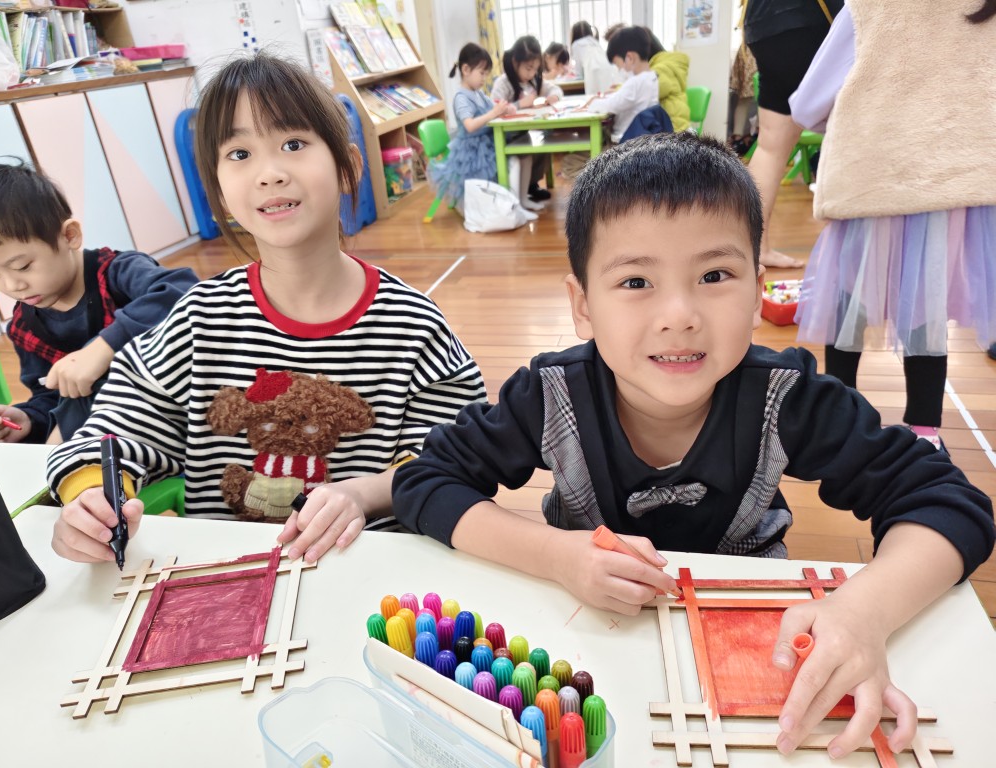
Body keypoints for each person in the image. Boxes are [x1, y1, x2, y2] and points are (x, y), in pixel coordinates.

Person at [393, 133, 994, 759]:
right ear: (583, 305)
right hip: (587, 644)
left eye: (714, 275)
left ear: (757, 290)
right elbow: (426, 482)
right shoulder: (549, 396)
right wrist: (557, 556)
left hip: (758, 648)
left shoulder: (788, 397)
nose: (679, 314)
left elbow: (949, 504)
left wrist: (862, 612)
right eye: (636, 281)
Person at [46, 52, 487, 566]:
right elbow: (119, 424)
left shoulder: (413, 326)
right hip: (226, 579)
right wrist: (91, 497)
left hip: (371, 576)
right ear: (217, 192)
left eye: (293, 144)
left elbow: (454, 458)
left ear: (348, 167)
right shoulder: (199, 319)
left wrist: (364, 494)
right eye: (239, 154)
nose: (269, 173)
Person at [791, 0, 996, 450]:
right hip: (955, 185)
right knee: (926, 304)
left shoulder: (871, 6)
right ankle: (925, 432)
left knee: (849, 297)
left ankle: (838, 418)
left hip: (874, 178)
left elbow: (807, 104)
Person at [0, 163, 198, 445]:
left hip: (176, 407)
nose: (11, 285)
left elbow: (183, 290)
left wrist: (104, 348)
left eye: (23, 266)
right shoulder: (23, 327)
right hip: (109, 435)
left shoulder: (118, 272)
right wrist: (29, 419)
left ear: (69, 236)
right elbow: (49, 394)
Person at [743, 0, 844, 269]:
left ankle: (754, 248)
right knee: (851, 137)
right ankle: (846, 263)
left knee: (770, 147)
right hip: (813, 17)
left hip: (762, 24)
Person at [427, 43, 540, 220]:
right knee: (514, 162)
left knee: (522, 157)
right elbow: (470, 125)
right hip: (472, 150)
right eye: (482, 73)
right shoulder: (461, 97)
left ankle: (521, 201)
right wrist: (493, 113)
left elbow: (493, 106)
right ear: (466, 70)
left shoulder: (478, 93)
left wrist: (505, 108)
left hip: (486, 142)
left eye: (486, 74)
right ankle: (514, 207)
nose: (484, 78)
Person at [491, 36, 561, 207]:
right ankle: (521, 195)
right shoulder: (503, 83)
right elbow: (494, 110)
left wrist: (553, 96)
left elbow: (555, 89)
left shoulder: (533, 80)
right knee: (527, 152)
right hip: (505, 136)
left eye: (535, 69)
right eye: (528, 68)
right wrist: (520, 104)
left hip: (524, 132)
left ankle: (530, 186)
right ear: (515, 62)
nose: (532, 73)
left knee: (545, 140)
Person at [580, 26, 659, 144]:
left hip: (625, 141)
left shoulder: (635, 82)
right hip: (640, 139)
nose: (619, 69)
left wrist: (593, 103)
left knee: (579, 153)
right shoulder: (651, 77)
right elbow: (623, 98)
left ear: (630, 58)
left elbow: (612, 105)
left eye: (618, 64)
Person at [645, 30, 690, 132]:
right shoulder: (666, 64)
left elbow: (645, 90)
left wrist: (618, 90)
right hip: (672, 127)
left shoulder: (662, 68)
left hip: (673, 130)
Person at [570, 21, 621, 95]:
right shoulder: (595, 42)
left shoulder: (576, 44)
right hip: (610, 70)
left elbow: (579, 74)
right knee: (606, 95)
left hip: (593, 71)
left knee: (594, 96)